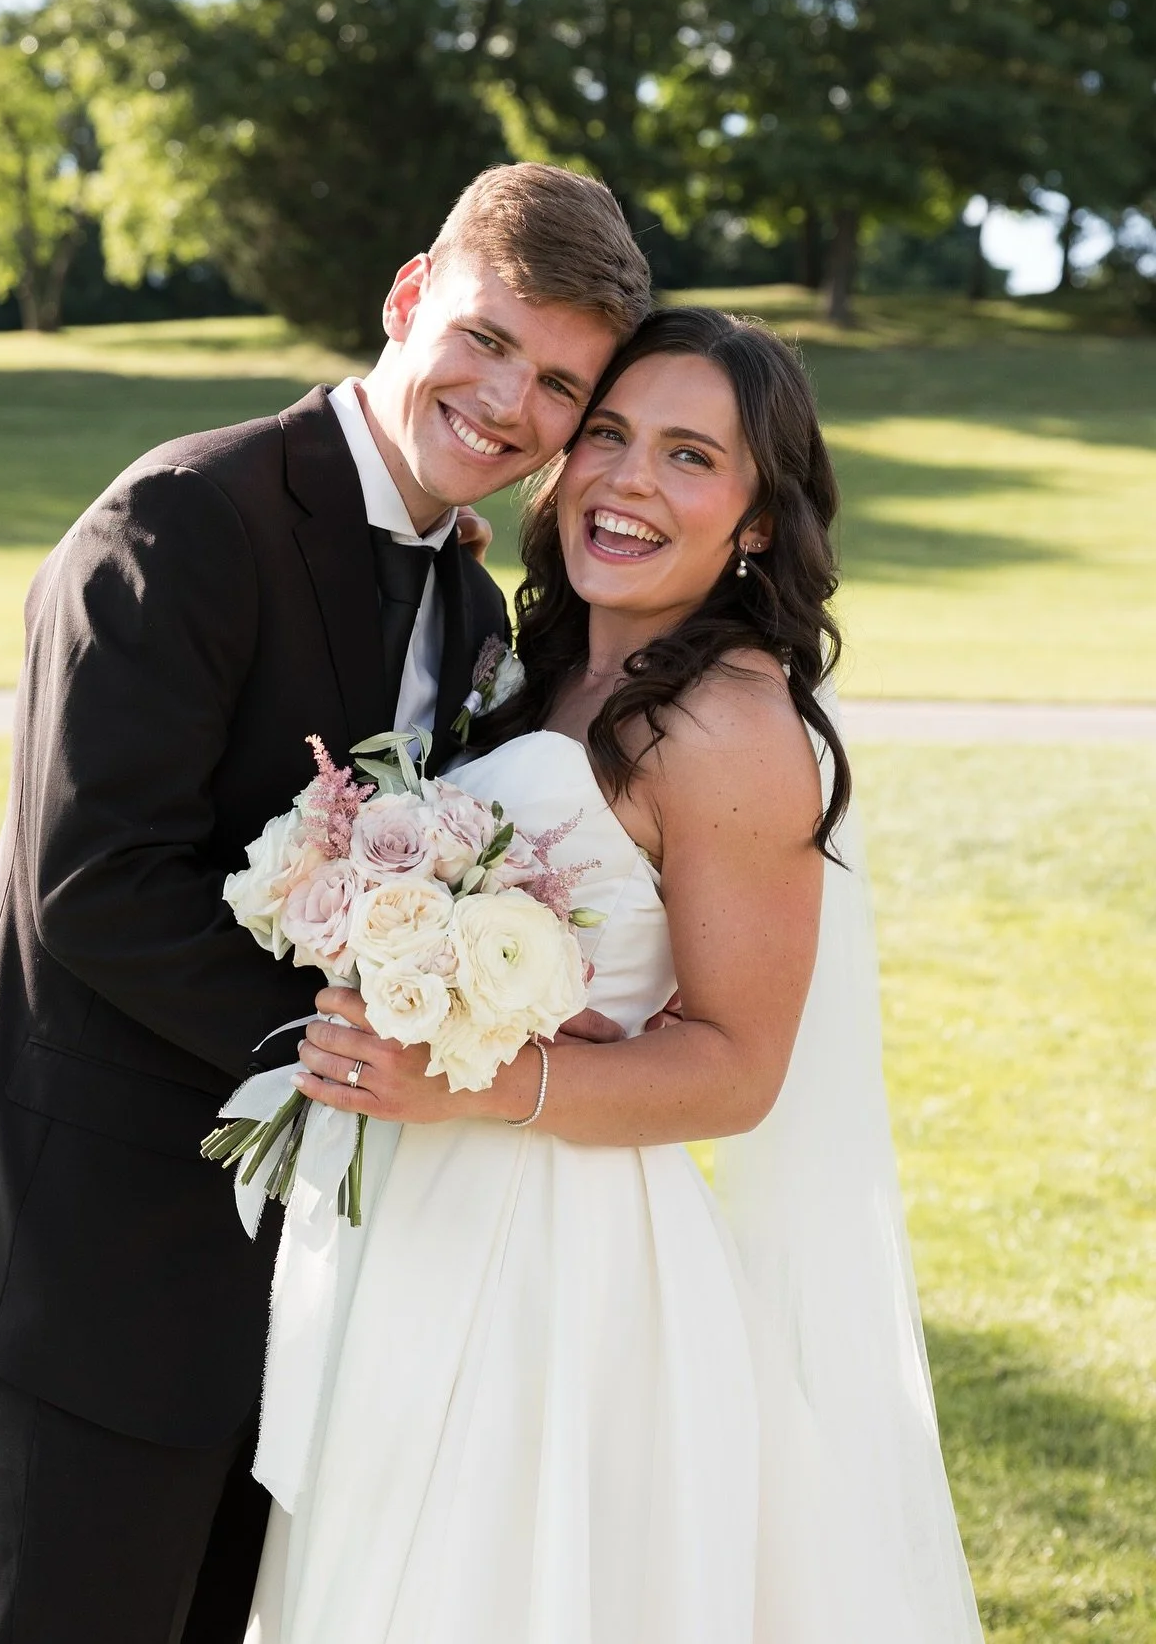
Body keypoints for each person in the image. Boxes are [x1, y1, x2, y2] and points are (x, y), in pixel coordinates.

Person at [0, 163, 652, 1644]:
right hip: (104, 1247)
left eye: (562, 384)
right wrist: (367, 1053)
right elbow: (95, 883)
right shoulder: (184, 516)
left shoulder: (464, 597)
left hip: (308, 1269)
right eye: (489, 339)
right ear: (407, 300)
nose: (512, 402)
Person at [249, 307, 986, 1642]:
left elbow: (737, 1066)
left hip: (558, 1262)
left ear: (758, 522)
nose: (629, 479)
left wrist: (473, 1076)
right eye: (608, 435)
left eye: (691, 457)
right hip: (416, 1210)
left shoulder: (729, 724)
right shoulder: (535, 668)